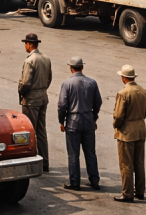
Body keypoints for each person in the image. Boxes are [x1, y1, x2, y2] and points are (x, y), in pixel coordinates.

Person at [57, 56, 102, 191]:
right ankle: (94, 181)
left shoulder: (67, 84)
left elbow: (62, 105)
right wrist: (93, 118)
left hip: (73, 121)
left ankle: (74, 182)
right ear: (82, 67)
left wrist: (62, 121)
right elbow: (98, 102)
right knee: (90, 153)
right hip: (88, 120)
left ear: (70, 68)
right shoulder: (92, 82)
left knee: (73, 154)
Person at [113, 65, 146, 202]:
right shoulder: (144, 91)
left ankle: (127, 193)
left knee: (126, 164)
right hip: (140, 130)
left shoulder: (123, 93)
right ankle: (140, 191)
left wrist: (116, 126)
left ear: (123, 78)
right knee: (139, 163)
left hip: (126, 133)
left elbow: (118, 116)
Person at [18, 33, 52, 172]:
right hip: (43, 96)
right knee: (41, 131)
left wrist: (21, 91)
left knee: (29, 130)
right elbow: (49, 79)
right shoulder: (46, 59)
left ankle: (30, 161)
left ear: (30, 44)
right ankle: (45, 162)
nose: (25, 46)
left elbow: (26, 82)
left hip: (31, 98)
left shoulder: (30, 60)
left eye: (25, 43)